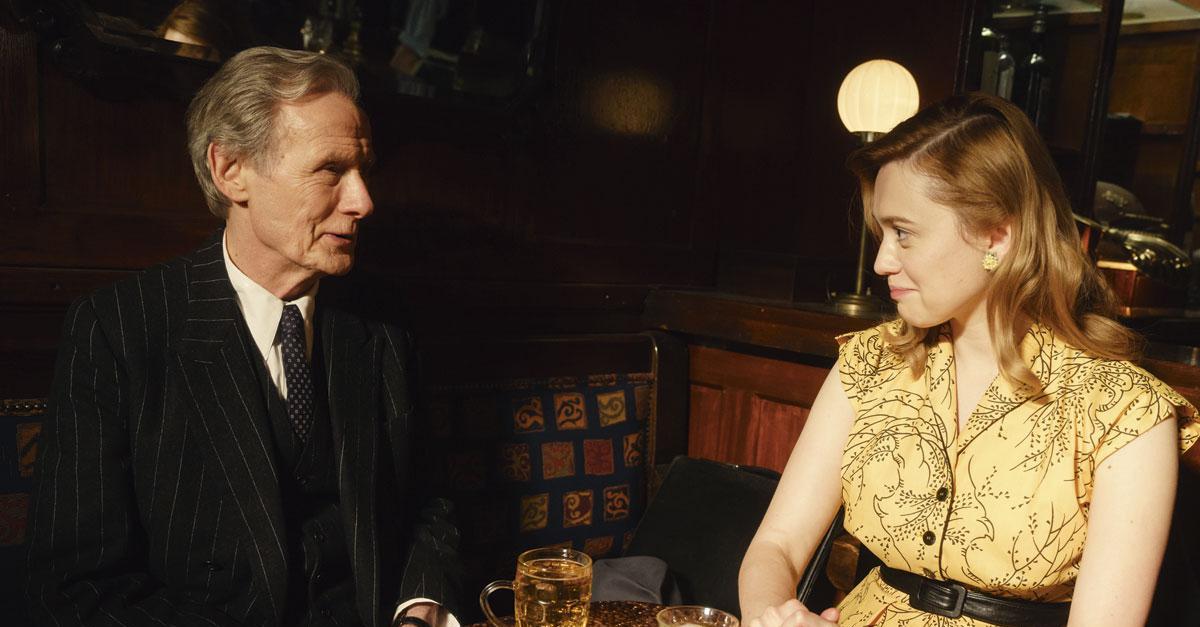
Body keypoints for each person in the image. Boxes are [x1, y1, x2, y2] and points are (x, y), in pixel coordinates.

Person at [25, 47, 462, 627]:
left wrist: (419, 606)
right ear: (231, 170)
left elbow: (428, 500)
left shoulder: (383, 323)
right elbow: (74, 588)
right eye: (330, 169)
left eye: (363, 170)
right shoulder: (117, 329)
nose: (363, 201)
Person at [738, 93, 1200, 626]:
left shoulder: (1125, 411)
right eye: (882, 234)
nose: (882, 260)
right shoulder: (869, 362)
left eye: (904, 233)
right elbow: (776, 545)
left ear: (997, 237)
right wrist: (774, 616)